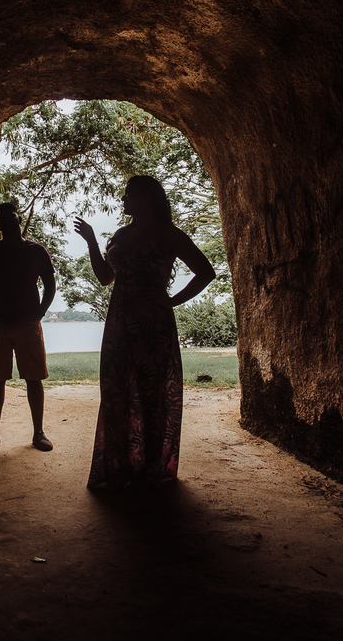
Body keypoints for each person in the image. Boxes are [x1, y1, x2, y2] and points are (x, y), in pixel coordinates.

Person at [74, 175, 215, 488]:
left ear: (147, 198)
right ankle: (118, 467)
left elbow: (206, 272)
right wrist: (93, 243)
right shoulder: (122, 235)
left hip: (153, 325)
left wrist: (171, 301)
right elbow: (104, 277)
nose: (123, 200)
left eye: (129, 195)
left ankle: (150, 469)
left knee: (152, 397)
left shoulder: (168, 234)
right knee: (115, 393)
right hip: (119, 325)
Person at [0, 202, 57, 453]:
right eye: (1, 218)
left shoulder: (37, 251)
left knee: (34, 378)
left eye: (10, 216)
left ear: (19, 219)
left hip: (28, 325)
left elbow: (51, 285)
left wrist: (40, 312)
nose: (6, 221)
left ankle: (38, 433)